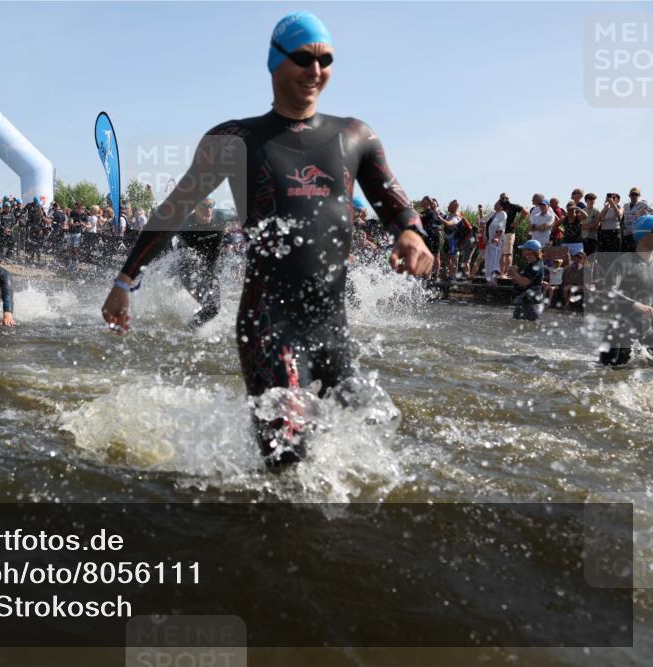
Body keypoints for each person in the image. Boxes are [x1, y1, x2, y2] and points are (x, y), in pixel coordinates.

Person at [101, 10, 433, 468]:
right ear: (275, 61)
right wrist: (124, 282)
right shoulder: (235, 140)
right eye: (303, 58)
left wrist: (413, 235)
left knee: (369, 445)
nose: (316, 71)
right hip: (269, 326)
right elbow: (173, 210)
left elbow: (393, 201)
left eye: (326, 59)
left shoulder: (355, 135)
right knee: (288, 462)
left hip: (333, 329)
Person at [597, 215, 653, 366]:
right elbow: (608, 290)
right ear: (644, 235)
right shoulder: (623, 262)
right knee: (610, 380)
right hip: (620, 333)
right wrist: (635, 304)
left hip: (647, 331)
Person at [176, 198, 225, 328]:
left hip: (209, 266)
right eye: (203, 207)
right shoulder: (185, 227)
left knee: (215, 308)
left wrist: (211, 276)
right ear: (195, 208)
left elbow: (214, 255)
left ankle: (191, 327)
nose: (208, 210)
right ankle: (188, 330)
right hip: (188, 268)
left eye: (210, 206)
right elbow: (187, 255)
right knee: (211, 307)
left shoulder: (218, 223)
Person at [506, 239, 545, 321]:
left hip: (531, 304)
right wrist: (513, 274)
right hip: (525, 302)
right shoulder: (530, 265)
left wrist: (514, 272)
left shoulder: (536, 266)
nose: (522, 250)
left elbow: (524, 282)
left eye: (524, 249)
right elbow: (519, 281)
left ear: (530, 251)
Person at [481, 201, 506, 284]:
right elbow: (482, 220)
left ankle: (493, 281)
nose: (494, 205)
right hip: (489, 240)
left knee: (494, 261)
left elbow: (501, 226)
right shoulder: (493, 213)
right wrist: (480, 211)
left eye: (496, 204)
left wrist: (497, 238)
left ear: (501, 206)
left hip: (496, 241)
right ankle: (488, 280)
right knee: (488, 261)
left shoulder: (502, 214)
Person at [622, 186, 651, 253]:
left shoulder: (643, 204)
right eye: (632, 194)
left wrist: (647, 215)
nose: (634, 196)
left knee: (636, 254)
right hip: (626, 234)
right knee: (627, 254)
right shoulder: (625, 206)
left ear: (639, 195)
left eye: (636, 194)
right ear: (629, 196)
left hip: (637, 233)